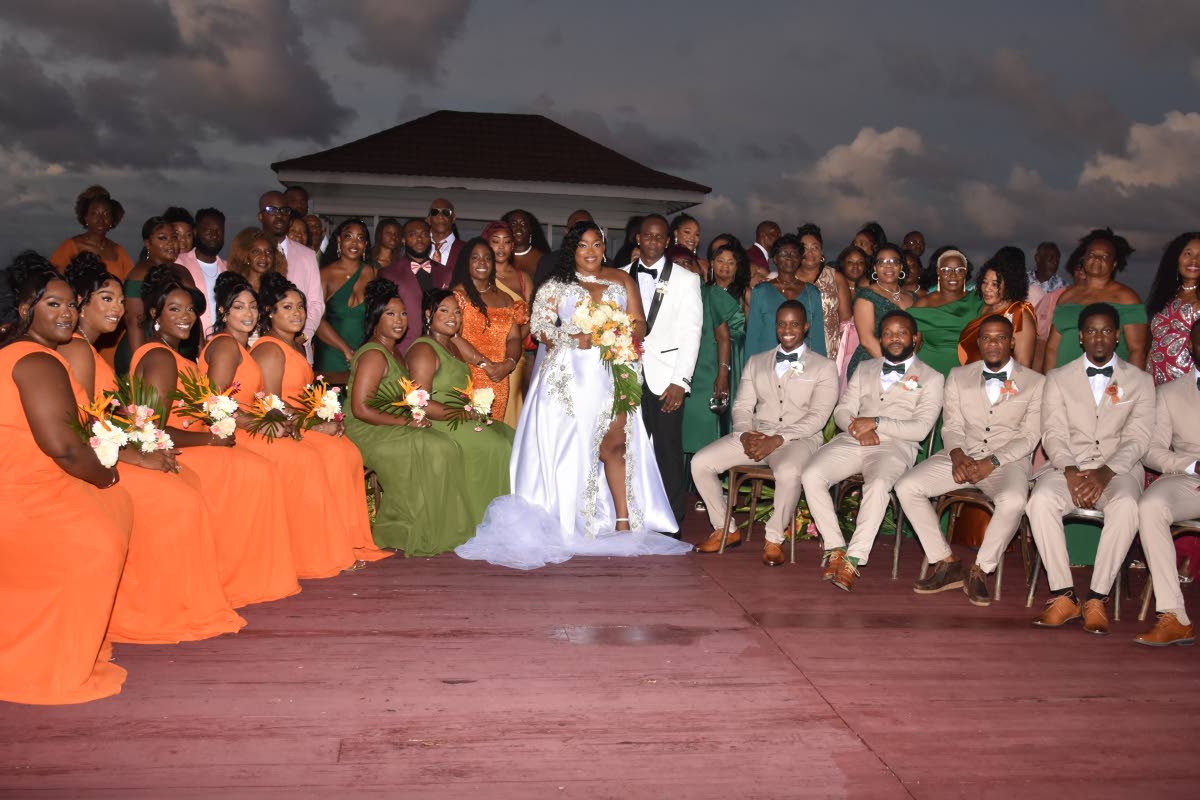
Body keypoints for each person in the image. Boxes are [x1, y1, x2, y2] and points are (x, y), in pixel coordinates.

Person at [455, 223, 691, 569]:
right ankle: (568, 519)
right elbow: (540, 328)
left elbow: (640, 323)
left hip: (613, 370)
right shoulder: (556, 285)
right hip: (569, 377)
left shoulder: (621, 280)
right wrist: (572, 337)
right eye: (583, 246)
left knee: (618, 443)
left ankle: (623, 520)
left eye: (597, 244)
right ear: (573, 250)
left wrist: (617, 329)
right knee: (572, 447)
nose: (591, 251)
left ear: (605, 248)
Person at [60, 254, 246, 644]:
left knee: (187, 488)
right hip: (94, 458)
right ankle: (157, 606)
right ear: (80, 303)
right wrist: (137, 454)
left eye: (118, 300)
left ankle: (183, 597)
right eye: (105, 299)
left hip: (113, 447)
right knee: (179, 499)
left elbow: (115, 420)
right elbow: (79, 423)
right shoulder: (79, 351)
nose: (117, 308)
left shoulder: (90, 351)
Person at [0, 255, 132, 705]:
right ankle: (48, 661)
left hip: (26, 487)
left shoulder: (22, 355)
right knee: (98, 541)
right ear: (23, 309)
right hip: (28, 496)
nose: (68, 314)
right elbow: (63, 446)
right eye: (53, 304)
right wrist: (108, 477)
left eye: (71, 306)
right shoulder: (36, 360)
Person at [131, 266, 300, 608]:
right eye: (174, 309)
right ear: (155, 315)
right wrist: (211, 439)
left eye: (190, 309)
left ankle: (244, 572)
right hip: (182, 446)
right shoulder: (160, 356)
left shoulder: (176, 355)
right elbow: (150, 430)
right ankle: (235, 575)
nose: (186, 317)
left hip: (195, 440)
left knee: (258, 472)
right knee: (257, 473)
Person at [200, 272, 358, 579]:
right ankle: (310, 555)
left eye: (252, 307)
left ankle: (325, 548)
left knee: (322, 454)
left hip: (252, 425)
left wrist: (287, 422)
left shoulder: (242, 348)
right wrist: (273, 425)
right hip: (236, 432)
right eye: (239, 307)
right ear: (223, 312)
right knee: (305, 458)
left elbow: (263, 402)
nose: (248, 313)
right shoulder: (226, 347)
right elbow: (214, 407)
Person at [896, 315, 1045, 605]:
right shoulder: (958, 375)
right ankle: (946, 562)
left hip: (1007, 461)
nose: (993, 344)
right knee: (907, 486)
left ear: (1011, 343)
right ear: (978, 343)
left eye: (1000, 338)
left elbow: (1029, 436)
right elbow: (951, 426)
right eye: (987, 338)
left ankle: (980, 569)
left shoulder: (1035, 383)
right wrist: (957, 455)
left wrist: (994, 461)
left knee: (1014, 500)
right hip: (962, 454)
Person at [1026, 303, 1155, 633]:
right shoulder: (1057, 378)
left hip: (1118, 470)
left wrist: (1106, 472)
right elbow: (1052, 432)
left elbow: (1138, 438)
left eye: (1107, 331)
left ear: (1117, 337)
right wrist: (1070, 470)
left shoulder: (1140, 381)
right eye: (1092, 331)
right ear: (1081, 337)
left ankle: (1097, 598)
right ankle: (1065, 596)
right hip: (1068, 465)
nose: (1100, 337)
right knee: (1039, 501)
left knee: (1127, 505)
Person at [248, 273, 390, 568]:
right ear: (269, 313)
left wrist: (327, 418)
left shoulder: (297, 346)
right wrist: (315, 425)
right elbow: (272, 406)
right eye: (287, 307)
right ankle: (326, 549)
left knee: (347, 451)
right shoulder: (269, 349)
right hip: (279, 427)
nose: (297, 313)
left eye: (300, 306)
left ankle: (348, 541)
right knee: (334, 455)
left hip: (300, 422)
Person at [801, 310, 945, 591]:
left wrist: (877, 424)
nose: (894, 338)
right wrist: (856, 428)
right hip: (856, 439)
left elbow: (920, 429)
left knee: (878, 484)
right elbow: (843, 410)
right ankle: (836, 548)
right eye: (888, 333)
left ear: (915, 338)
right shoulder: (866, 368)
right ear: (880, 338)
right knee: (811, 473)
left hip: (896, 446)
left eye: (901, 332)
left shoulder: (932, 377)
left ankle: (853, 559)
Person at [692, 301, 839, 564]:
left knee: (789, 472)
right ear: (775, 327)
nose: (787, 329)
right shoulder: (756, 362)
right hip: (757, 435)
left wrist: (779, 439)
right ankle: (725, 529)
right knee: (700, 462)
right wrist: (745, 433)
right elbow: (743, 405)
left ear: (805, 327)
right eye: (782, 324)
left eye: (794, 324)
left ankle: (774, 538)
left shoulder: (824, 366)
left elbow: (818, 417)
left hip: (798, 439)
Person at [345, 280, 475, 554]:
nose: (399, 320)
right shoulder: (373, 354)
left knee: (445, 445)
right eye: (390, 314)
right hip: (367, 430)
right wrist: (406, 421)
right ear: (375, 319)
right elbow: (360, 409)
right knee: (434, 447)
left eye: (403, 314)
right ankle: (401, 527)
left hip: (391, 424)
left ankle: (440, 524)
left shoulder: (396, 353)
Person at [407, 290, 515, 525]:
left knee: (510, 436)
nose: (453, 317)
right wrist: (464, 413)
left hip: (459, 417)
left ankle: (504, 514)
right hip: (437, 421)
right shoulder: (424, 350)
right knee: (495, 445)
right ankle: (482, 518)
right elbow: (418, 402)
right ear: (428, 314)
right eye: (444, 311)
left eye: (457, 312)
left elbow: (464, 347)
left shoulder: (451, 345)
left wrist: (487, 367)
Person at [624, 214, 704, 527]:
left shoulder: (686, 279)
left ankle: (670, 518)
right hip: (625, 374)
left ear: (668, 241)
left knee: (667, 450)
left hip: (666, 378)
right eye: (649, 236)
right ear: (638, 239)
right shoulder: (617, 277)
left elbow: (692, 332)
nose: (654, 242)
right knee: (628, 446)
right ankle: (630, 513)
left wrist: (680, 382)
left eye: (660, 237)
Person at [1043, 228, 1148, 372]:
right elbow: (1051, 348)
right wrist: (1050, 383)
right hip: (1065, 384)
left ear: (1114, 264)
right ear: (1083, 259)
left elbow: (1137, 350)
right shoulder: (1067, 296)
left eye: (1104, 256)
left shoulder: (1127, 298)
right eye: (1092, 254)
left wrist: (1130, 388)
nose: (1097, 259)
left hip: (1111, 385)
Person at [451, 237, 527, 422]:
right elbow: (452, 337)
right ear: (466, 262)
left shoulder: (506, 299)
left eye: (487, 258)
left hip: (499, 377)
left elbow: (514, 339)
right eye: (475, 258)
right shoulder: (458, 296)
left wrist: (508, 365)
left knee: (493, 430)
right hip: (468, 374)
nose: (482, 263)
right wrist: (485, 365)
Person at [115, 216, 196, 374]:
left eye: (174, 238)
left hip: (180, 350)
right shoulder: (138, 274)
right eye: (162, 238)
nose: (171, 243)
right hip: (143, 351)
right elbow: (134, 323)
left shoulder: (182, 272)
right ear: (147, 243)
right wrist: (141, 362)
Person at [259, 190, 324, 356]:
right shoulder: (250, 252)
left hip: (299, 347)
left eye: (284, 211)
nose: (279, 216)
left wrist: (303, 336)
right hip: (259, 346)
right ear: (260, 216)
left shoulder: (307, 255)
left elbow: (316, 303)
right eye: (271, 210)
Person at [313, 218, 377, 382]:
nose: (354, 243)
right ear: (339, 240)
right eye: (349, 237)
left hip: (363, 352)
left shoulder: (373, 273)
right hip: (332, 352)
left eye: (360, 238)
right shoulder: (325, 274)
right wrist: (346, 350)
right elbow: (318, 321)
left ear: (366, 244)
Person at [483, 220, 533, 426]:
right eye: (496, 241)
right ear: (487, 244)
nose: (501, 247)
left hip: (514, 353)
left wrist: (511, 344)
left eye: (506, 242)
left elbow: (532, 317)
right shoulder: (478, 275)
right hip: (483, 351)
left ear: (513, 246)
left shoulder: (523, 278)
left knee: (511, 404)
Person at [745, 234, 825, 361]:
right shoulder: (761, 291)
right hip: (767, 365)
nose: (789, 257)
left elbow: (818, 338)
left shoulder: (812, 293)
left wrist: (820, 372)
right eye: (783, 254)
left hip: (803, 366)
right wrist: (749, 372)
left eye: (794, 254)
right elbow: (752, 337)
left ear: (800, 259)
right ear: (775, 259)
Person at [845, 243, 918, 380]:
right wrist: (894, 367)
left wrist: (908, 365)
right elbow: (867, 340)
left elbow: (917, 334)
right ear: (875, 268)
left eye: (894, 261)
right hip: (872, 363)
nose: (888, 266)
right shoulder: (866, 295)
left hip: (906, 365)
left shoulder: (913, 297)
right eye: (882, 262)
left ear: (901, 267)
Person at [959, 247, 1037, 366]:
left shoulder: (1019, 314)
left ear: (1010, 285)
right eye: (984, 282)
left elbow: (1023, 365)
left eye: (995, 284)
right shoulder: (982, 307)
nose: (987, 288)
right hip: (971, 378)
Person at [910, 248, 981, 376]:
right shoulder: (923, 304)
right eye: (946, 270)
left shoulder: (978, 301)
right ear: (938, 272)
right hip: (929, 370)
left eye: (959, 270)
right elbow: (913, 344)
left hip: (968, 369)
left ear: (965, 273)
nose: (953, 275)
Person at [1146, 232, 1200, 385]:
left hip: (1190, 388)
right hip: (1156, 385)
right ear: (1176, 258)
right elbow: (1154, 344)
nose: (1195, 260)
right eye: (1188, 254)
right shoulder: (1167, 296)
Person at [50, 185, 135, 282]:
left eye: (106, 214)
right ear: (85, 217)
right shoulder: (70, 247)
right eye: (94, 213)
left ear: (112, 219)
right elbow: (53, 281)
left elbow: (132, 284)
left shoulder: (119, 251)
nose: (101, 219)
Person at [797, 223, 852, 361]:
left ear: (821, 251)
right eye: (804, 248)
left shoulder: (836, 278)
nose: (809, 253)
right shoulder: (790, 277)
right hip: (797, 347)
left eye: (815, 247)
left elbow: (846, 320)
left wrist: (843, 355)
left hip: (830, 350)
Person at [175, 208, 227, 338]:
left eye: (219, 231)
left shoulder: (229, 268)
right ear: (196, 232)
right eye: (209, 230)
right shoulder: (179, 264)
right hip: (190, 344)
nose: (214, 235)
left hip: (223, 344)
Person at [535, 209, 593, 288]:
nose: (582, 232)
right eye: (577, 228)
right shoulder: (548, 261)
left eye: (587, 228)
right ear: (567, 231)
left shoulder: (604, 263)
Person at [226, 227, 286, 293]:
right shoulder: (235, 288)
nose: (264, 256)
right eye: (256, 252)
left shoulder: (279, 288)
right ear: (245, 256)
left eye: (268, 252)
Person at [504, 208, 551, 276]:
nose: (518, 228)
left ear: (530, 229)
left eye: (523, 224)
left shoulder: (543, 260)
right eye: (513, 224)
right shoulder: (498, 257)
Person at [428, 198, 463, 269]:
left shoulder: (466, 249)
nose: (440, 216)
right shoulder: (417, 247)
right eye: (435, 212)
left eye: (446, 212)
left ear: (453, 218)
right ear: (428, 219)